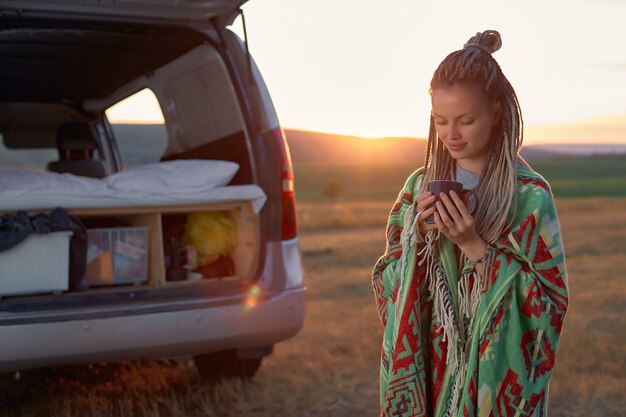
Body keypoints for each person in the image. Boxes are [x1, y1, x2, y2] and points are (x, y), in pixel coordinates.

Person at [371, 30, 568, 417]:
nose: (451, 135)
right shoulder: (417, 187)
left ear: (496, 112)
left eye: (465, 120)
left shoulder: (529, 197)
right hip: (431, 368)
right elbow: (385, 279)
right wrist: (419, 239)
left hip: (492, 388)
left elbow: (548, 307)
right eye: (440, 121)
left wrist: (474, 247)